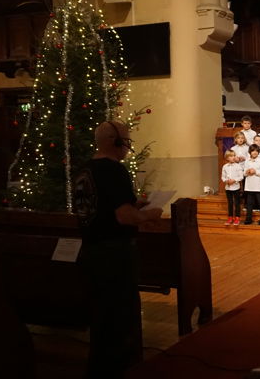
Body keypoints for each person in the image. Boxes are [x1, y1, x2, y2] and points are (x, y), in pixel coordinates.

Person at [76, 121, 163, 378]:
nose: (128, 146)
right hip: (115, 255)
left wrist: (136, 203)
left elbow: (99, 207)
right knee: (121, 320)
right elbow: (124, 217)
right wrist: (149, 214)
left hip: (91, 252)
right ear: (115, 142)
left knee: (101, 320)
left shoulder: (84, 169)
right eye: (126, 140)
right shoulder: (114, 170)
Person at [243, 144, 260, 225]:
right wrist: (247, 172)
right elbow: (244, 173)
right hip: (249, 186)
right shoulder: (247, 161)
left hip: (258, 186)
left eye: (256, 151)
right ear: (250, 152)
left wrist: (255, 171)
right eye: (253, 151)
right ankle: (248, 219)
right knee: (249, 203)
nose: (254, 152)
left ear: (258, 152)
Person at [221, 150, 243, 225]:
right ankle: (230, 217)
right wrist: (226, 181)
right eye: (231, 156)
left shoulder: (238, 166)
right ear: (227, 158)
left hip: (236, 187)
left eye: (234, 156)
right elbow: (223, 177)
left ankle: (237, 217)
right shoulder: (225, 166)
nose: (233, 157)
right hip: (228, 188)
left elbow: (241, 177)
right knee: (230, 203)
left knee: (237, 203)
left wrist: (234, 180)